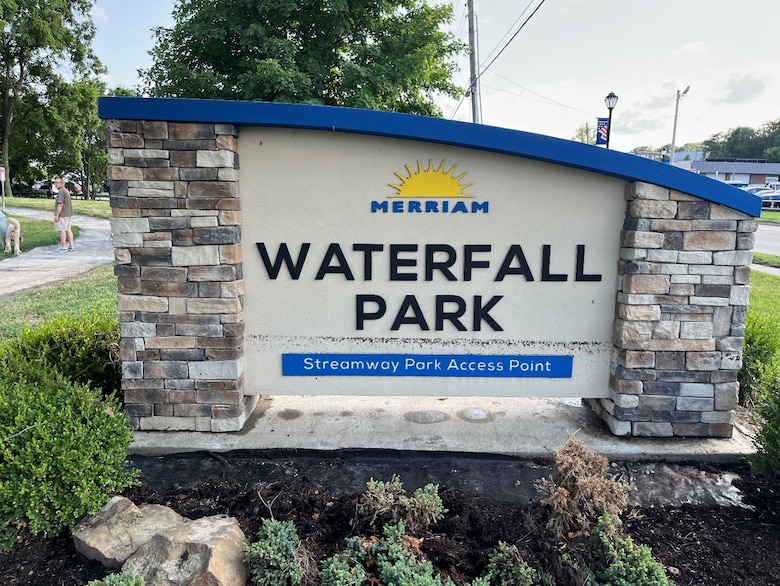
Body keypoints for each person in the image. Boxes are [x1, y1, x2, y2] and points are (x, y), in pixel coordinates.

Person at [53, 177, 75, 252]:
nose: (56, 184)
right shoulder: (66, 191)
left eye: (57, 183)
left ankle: (64, 247)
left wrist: (57, 215)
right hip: (68, 214)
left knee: (62, 230)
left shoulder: (61, 192)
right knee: (68, 229)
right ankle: (71, 246)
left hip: (63, 215)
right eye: (55, 182)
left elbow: (60, 204)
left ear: (62, 183)